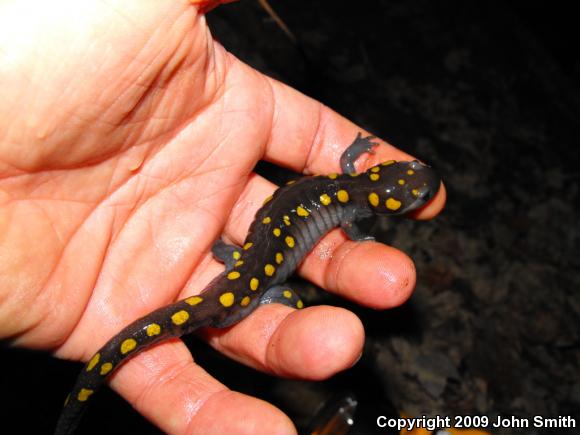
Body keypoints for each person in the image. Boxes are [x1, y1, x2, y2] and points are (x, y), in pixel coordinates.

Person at [0, 1, 446, 433]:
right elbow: (350, 223)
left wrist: (355, 159)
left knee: (256, 277)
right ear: (384, 178)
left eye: (410, 183)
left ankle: (249, 273)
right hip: (243, 292)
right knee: (272, 289)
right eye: (409, 177)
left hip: (242, 278)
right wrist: (359, 240)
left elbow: (349, 178)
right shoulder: (354, 205)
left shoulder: (353, 184)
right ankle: (265, 288)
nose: (413, 180)